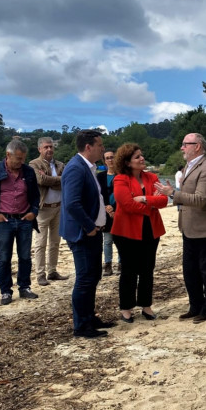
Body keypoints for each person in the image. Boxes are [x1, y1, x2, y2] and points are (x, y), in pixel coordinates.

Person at [154, 133, 206, 323]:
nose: (182, 148)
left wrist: (173, 194)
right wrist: (171, 193)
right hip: (189, 227)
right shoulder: (190, 166)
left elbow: (200, 199)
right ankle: (195, 306)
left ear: (197, 146)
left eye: (185, 144)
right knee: (189, 270)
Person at [60, 129, 114, 338]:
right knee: (84, 278)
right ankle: (81, 325)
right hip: (83, 234)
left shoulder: (86, 167)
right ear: (88, 147)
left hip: (92, 232)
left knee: (93, 275)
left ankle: (89, 317)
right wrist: (90, 226)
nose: (103, 148)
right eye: (100, 145)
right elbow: (72, 204)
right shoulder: (76, 168)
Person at [0, 140, 40, 306]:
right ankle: (5, 291)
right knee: (4, 257)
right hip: (3, 221)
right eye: (18, 159)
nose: (21, 162)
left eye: (23, 159)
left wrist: (34, 212)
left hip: (24, 220)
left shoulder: (28, 172)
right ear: (8, 155)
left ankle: (24, 287)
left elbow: (36, 195)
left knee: (25, 256)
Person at [110, 144, 168, 323]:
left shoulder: (152, 177)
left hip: (151, 230)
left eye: (141, 155)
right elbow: (126, 204)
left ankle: (146, 306)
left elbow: (164, 200)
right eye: (137, 157)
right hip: (126, 231)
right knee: (128, 270)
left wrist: (144, 199)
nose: (142, 159)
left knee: (147, 269)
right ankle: (126, 308)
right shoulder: (120, 179)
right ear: (127, 162)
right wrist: (151, 205)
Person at [29, 137, 68, 286]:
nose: (49, 149)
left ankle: (52, 271)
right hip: (43, 209)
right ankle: (40, 274)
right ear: (39, 149)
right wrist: (57, 179)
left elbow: (66, 182)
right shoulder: (34, 164)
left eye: (51, 147)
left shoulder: (60, 164)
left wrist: (50, 179)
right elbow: (41, 181)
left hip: (58, 207)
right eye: (46, 147)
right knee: (40, 243)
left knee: (55, 242)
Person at [97, 151, 118, 276]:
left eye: (112, 157)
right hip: (106, 212)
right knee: (107, 240)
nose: (110, 160)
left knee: (121, 239)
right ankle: (108, 264)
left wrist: (115, 209)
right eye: (108, 158)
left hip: (120, 212)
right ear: (104, 161)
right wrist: (107, 208)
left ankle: (121, 263)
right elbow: (99, 195)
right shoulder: (100, 177)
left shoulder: (121, 175)